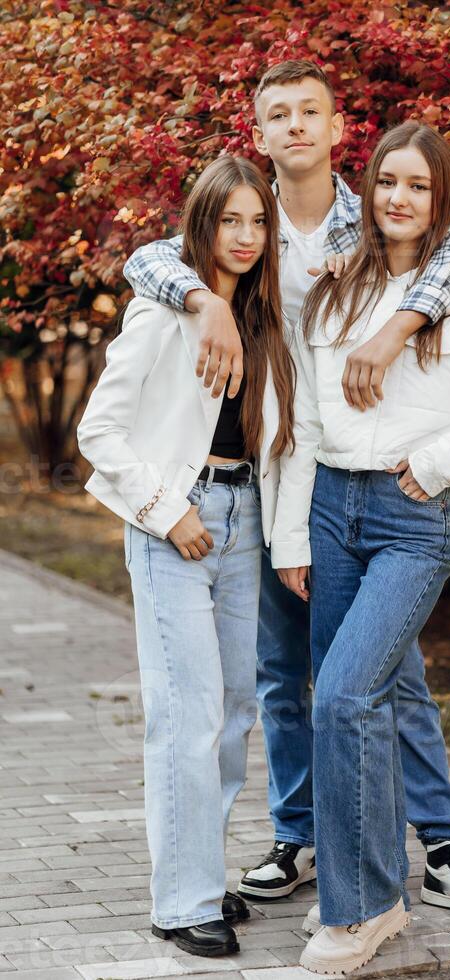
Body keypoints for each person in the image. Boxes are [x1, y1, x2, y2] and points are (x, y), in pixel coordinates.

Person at [123, 61, 450, 922]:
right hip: (272, 473)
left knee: (387, 671)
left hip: (360, 474)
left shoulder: (370, 212)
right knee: (281, 668)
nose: (297, 126)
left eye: (312, 111)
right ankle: (300, 833)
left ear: (338, 125)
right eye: (279, 114)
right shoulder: (249, 217)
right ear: (260, 130)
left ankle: (446, 843)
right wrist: (205, 302)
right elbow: (151, 256)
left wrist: (395, 327)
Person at [271, 120, 450, 975]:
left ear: (442, 199)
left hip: (412, 516)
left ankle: (353, 912)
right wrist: (290, 536)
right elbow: (307, 423)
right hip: (329, 512)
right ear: (370, 186)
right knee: (368, 701)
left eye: (419, 186)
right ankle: (381, 894)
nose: (399, 198)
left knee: (345, 697)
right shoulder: (331, 293)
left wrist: (434, 464)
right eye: (388, 180)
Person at [77, 156, 295, 959]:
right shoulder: (161, 312)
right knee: (187, 714)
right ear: (201, 225)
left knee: (236, 712)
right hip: (178, 524)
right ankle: (182, 900)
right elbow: (98, 433)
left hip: (245, 521)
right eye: (228, 220)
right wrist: (169, 515)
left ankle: (199, 869)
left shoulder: (266, 315)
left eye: (257, 222)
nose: (244, 237)